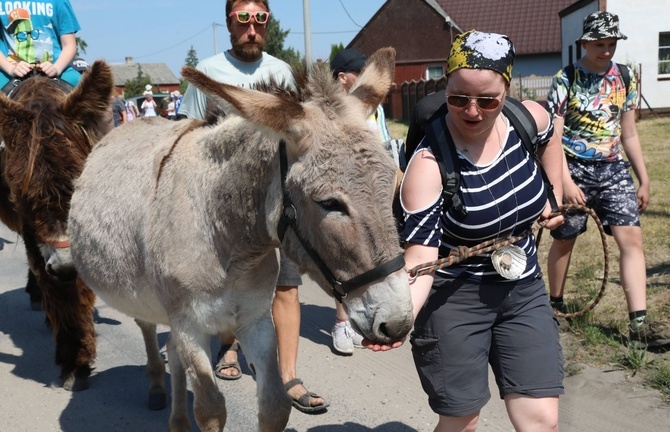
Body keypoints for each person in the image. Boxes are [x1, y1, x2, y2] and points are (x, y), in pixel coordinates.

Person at [379, 30, 566, 431]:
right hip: (454, 298)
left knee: (542, 419)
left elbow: (552, 132)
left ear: (507, 90)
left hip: (523, 288)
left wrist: (553, 193)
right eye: (459, 98)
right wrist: (401, 316)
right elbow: (421, 259)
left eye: (487, 100)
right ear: (445, 85)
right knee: (463, 420)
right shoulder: (430, 167)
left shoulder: (525, 118)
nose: (473, 111)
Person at [179, 0, 328, 414]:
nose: (251, 28)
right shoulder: (206, 72)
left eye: (259, 19)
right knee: (228, 283)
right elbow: (186, 134)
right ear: (229, 23)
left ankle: (287, 374)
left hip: (281, 200)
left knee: (286, 282)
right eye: (243, 19)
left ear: (267, 24)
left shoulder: (281, 72)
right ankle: (228, 348)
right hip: (223, 206)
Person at [545, 11, 670, 348]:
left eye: (612, 44)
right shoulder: (566, 78)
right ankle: (554, 308)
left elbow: (628, 132)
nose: (607, 50)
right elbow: (552, 139)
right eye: (600, 44)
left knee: (632, 240)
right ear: (585, 43)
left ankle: (639, 325)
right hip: (574, 167)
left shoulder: (624, 77)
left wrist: (643, 178)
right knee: (565, 237)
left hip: (613, 170)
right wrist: (566, 182)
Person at [327, 48, 391, 355]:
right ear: (343, 77)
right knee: (345, 257)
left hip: (372, 196)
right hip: (345, 196)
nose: (367, 80)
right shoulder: (330, 110)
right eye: (360, 73)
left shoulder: (373, 108)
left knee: (371, 258)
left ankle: (359, 317)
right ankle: (341, 323)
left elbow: (385, 145)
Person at [0, 2, 82, 92]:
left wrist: (56, 68)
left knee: (82, 86)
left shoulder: (60, 2)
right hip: (8, 71)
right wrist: (11, 69)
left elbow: (69, 45)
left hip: (56, 68)